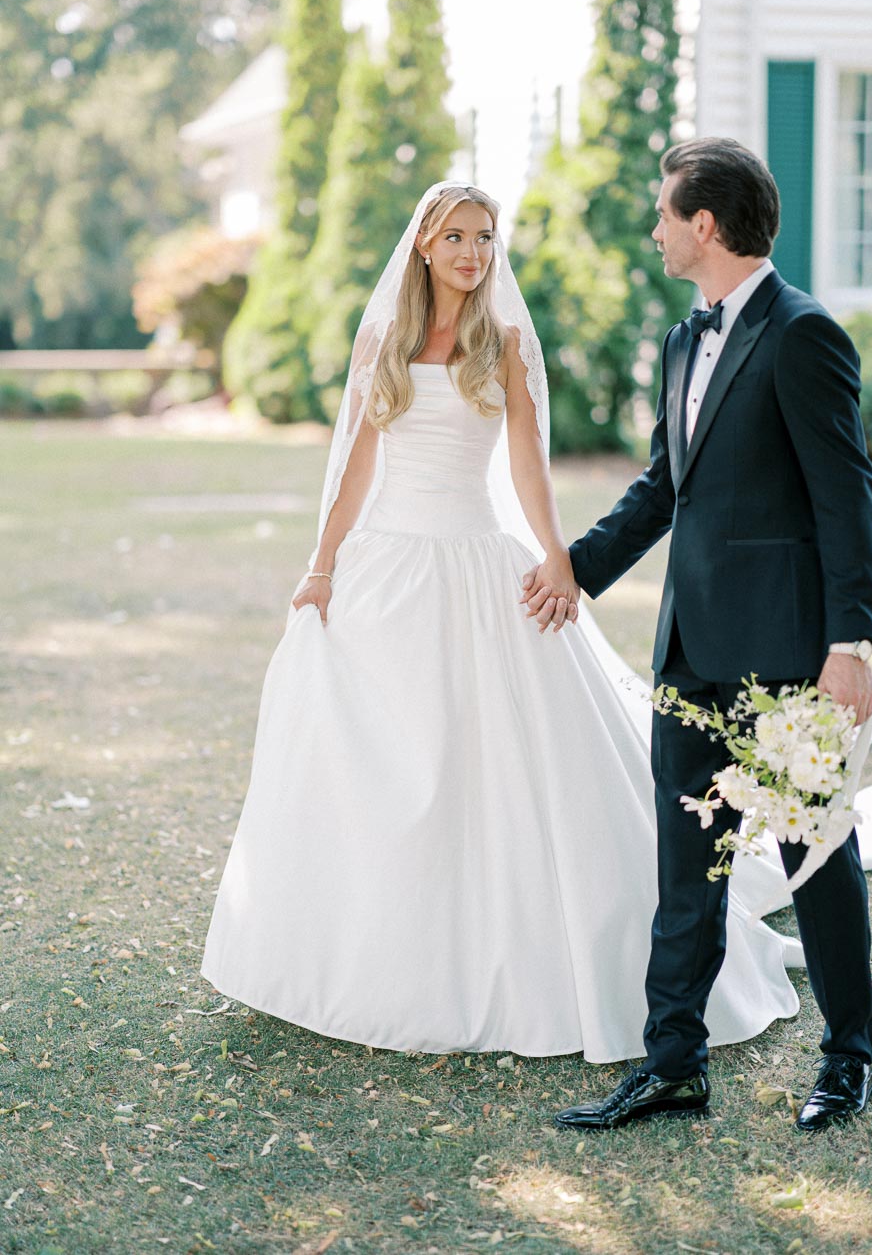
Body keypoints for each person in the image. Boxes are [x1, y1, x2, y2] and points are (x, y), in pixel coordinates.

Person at [201, 181, 802, 1062]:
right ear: (423, 246)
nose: (473, 255)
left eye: (484, 238)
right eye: (456, 238)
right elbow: (356, 468)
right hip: (387, 568)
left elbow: (528, 466)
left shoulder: (506, 343)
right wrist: (321, 565)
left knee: (497, 758)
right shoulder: (386, 342)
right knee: (381, 751)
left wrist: (558, 558)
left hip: (479, 558)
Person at [523, 139, 872, 1132]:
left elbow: (846, 494)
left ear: (705, 224)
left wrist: (852, 643)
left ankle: (851, 1059)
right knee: (685, 873)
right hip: (689, 654)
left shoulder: (804, 334)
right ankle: (671, 1064)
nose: (653, 229)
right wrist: (576, 569)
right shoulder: (684, 341)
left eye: (663, 213)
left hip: (790, 658)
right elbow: (661, 487)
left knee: (817, 860)